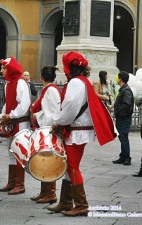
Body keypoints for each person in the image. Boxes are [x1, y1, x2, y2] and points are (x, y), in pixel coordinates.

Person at [47, 51, 116, 216]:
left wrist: (58, 121)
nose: (64, 71)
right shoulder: (82, 81)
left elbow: (70, 107)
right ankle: (65, 202)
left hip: (76, 131)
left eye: (65, 68)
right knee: (69, 166)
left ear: (70, 68)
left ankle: (81, 204)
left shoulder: (75, 83)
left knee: (72, 167)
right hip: (77, 130)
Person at [0, 57, 31, 195]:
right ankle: (12, 182)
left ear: (10, 69)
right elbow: (8, 102)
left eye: (4, 68)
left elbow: (24, 105)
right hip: (12, 121)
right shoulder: (8, 84)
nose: (1, 71)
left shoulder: (20, 83)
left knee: (19, 151)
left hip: (20, 122)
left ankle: (20, 184)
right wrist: (2, 114)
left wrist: (11, 115)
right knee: (11, 151)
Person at [30, 65, 61, 204]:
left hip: (48, 129)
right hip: (46, 127)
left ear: (42, 77)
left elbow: (53, 112)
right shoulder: (50, 90)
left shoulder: (51, 91)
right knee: (44, 160)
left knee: (48, 161)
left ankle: (50, 193)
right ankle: (44, 191)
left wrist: (39, 118)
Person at [112, 71, 134, 166]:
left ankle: (127, 157)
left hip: (124, 118)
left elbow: (126, 105)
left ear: (120, 79)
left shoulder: (126, 90)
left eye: (118, 77)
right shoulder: (123, 89)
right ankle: (123, 156)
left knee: (124, 137)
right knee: (121, 137)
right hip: (121, 118)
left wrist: (120, 113)